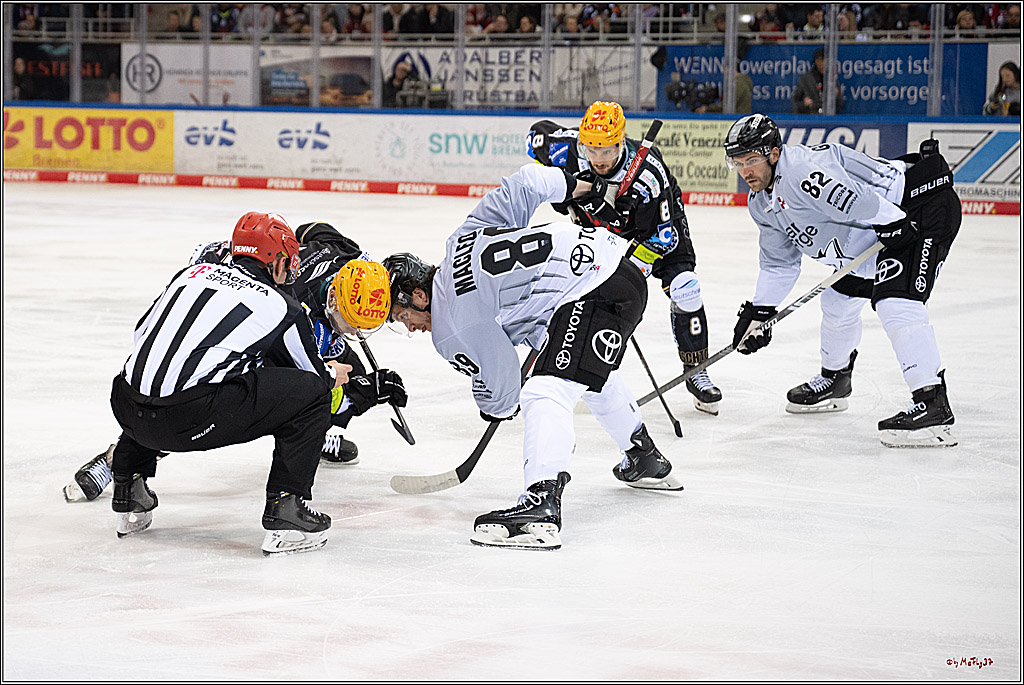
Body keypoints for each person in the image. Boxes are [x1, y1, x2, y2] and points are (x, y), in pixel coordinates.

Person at [382, 163, 683, 550]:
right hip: (613, 268)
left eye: (403, 316)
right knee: (580, 372)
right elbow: (527, 183)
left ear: (418, 295)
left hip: (591, 289)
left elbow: (505, 389)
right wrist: (577, 186)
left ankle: (541, 506)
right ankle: (643, 457)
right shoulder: (460, 239)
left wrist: (492, 406)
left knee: (545, 391)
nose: (410, 327)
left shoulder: (449, 325)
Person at [97, 213, 408, 555]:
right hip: (187, 419)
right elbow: (315, 380)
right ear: (276, 264)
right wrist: (362, 387)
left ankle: (129, 489)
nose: (292, 271)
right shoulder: (278, 303)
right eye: (289, 263)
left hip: (125, 405)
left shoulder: (192, 273)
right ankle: (288, 511)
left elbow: (144, 332)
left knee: (167, 377)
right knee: (310, 396)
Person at [723, 114, 961, 448]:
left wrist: (895, 221)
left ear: (773, 153)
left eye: (751, 160)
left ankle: (932, 403)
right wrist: (761, 311)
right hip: (879, 227)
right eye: (738, 162)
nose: (745, 171)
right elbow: (779, 264)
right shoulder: (761, 202)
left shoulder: (802, 171)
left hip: (919, 205)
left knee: (897, 300)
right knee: (838, 299)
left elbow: (860, 200)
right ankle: (836, 379)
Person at [528, 101, 723, 415]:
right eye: (592, 150)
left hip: (652, 227)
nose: (599, 159)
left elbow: (662, 238)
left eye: (607, 151)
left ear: (621, 142)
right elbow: (535, 136)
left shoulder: (648, 176)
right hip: (601, 227)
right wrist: (561, 191)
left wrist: (625, 272)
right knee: (574, 293)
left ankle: (696, 369)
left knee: (686, 288)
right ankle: (572, 370)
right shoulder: (567, 151)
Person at [793, 48, 844, 114]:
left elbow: (840, 104)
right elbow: (796, 102)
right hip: (810, 116)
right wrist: (804, 103)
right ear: (815, 61)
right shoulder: (806, 78)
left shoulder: (831, 79)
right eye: (818, 60)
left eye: (823, 60)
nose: (821, 63)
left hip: (827, 117)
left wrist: (836, 97)